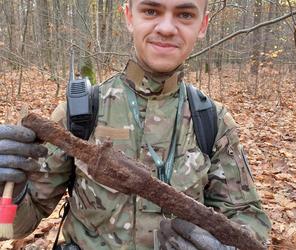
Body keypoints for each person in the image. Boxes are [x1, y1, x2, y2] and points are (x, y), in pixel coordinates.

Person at [0, 0, 271, 249]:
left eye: (185, 14)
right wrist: (7, 190)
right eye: (151, 11)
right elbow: (11, 226)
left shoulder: (212, 121)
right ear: (129, 16)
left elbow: (248, 217)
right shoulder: (81, 113)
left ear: (202, 25)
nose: (166, 28)